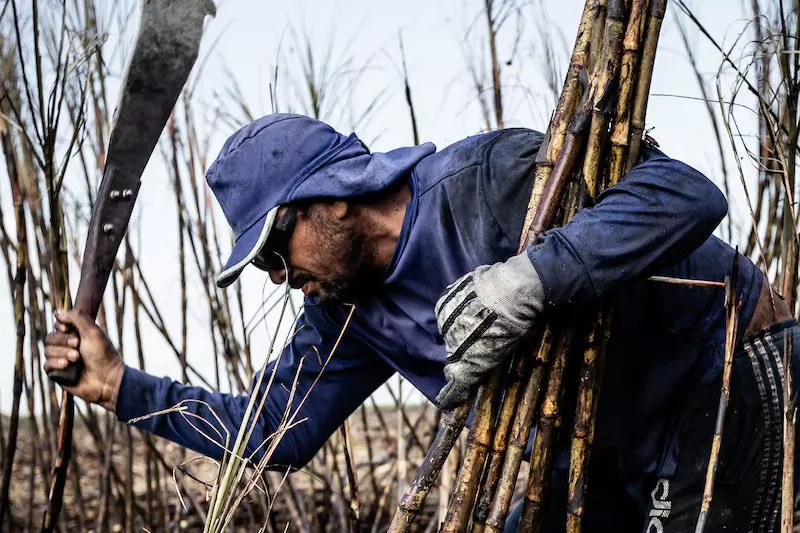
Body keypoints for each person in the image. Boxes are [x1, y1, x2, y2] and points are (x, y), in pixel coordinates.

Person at [45, 113, 797, 532]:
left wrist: (533, 277)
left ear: (333, 196)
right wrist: (116, 384)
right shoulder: (345, 313)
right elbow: (275, 429)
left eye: (276, 248)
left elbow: (684, 193)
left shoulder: (488, 181)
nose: (280, 278)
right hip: (612, 449)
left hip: (729, 376)